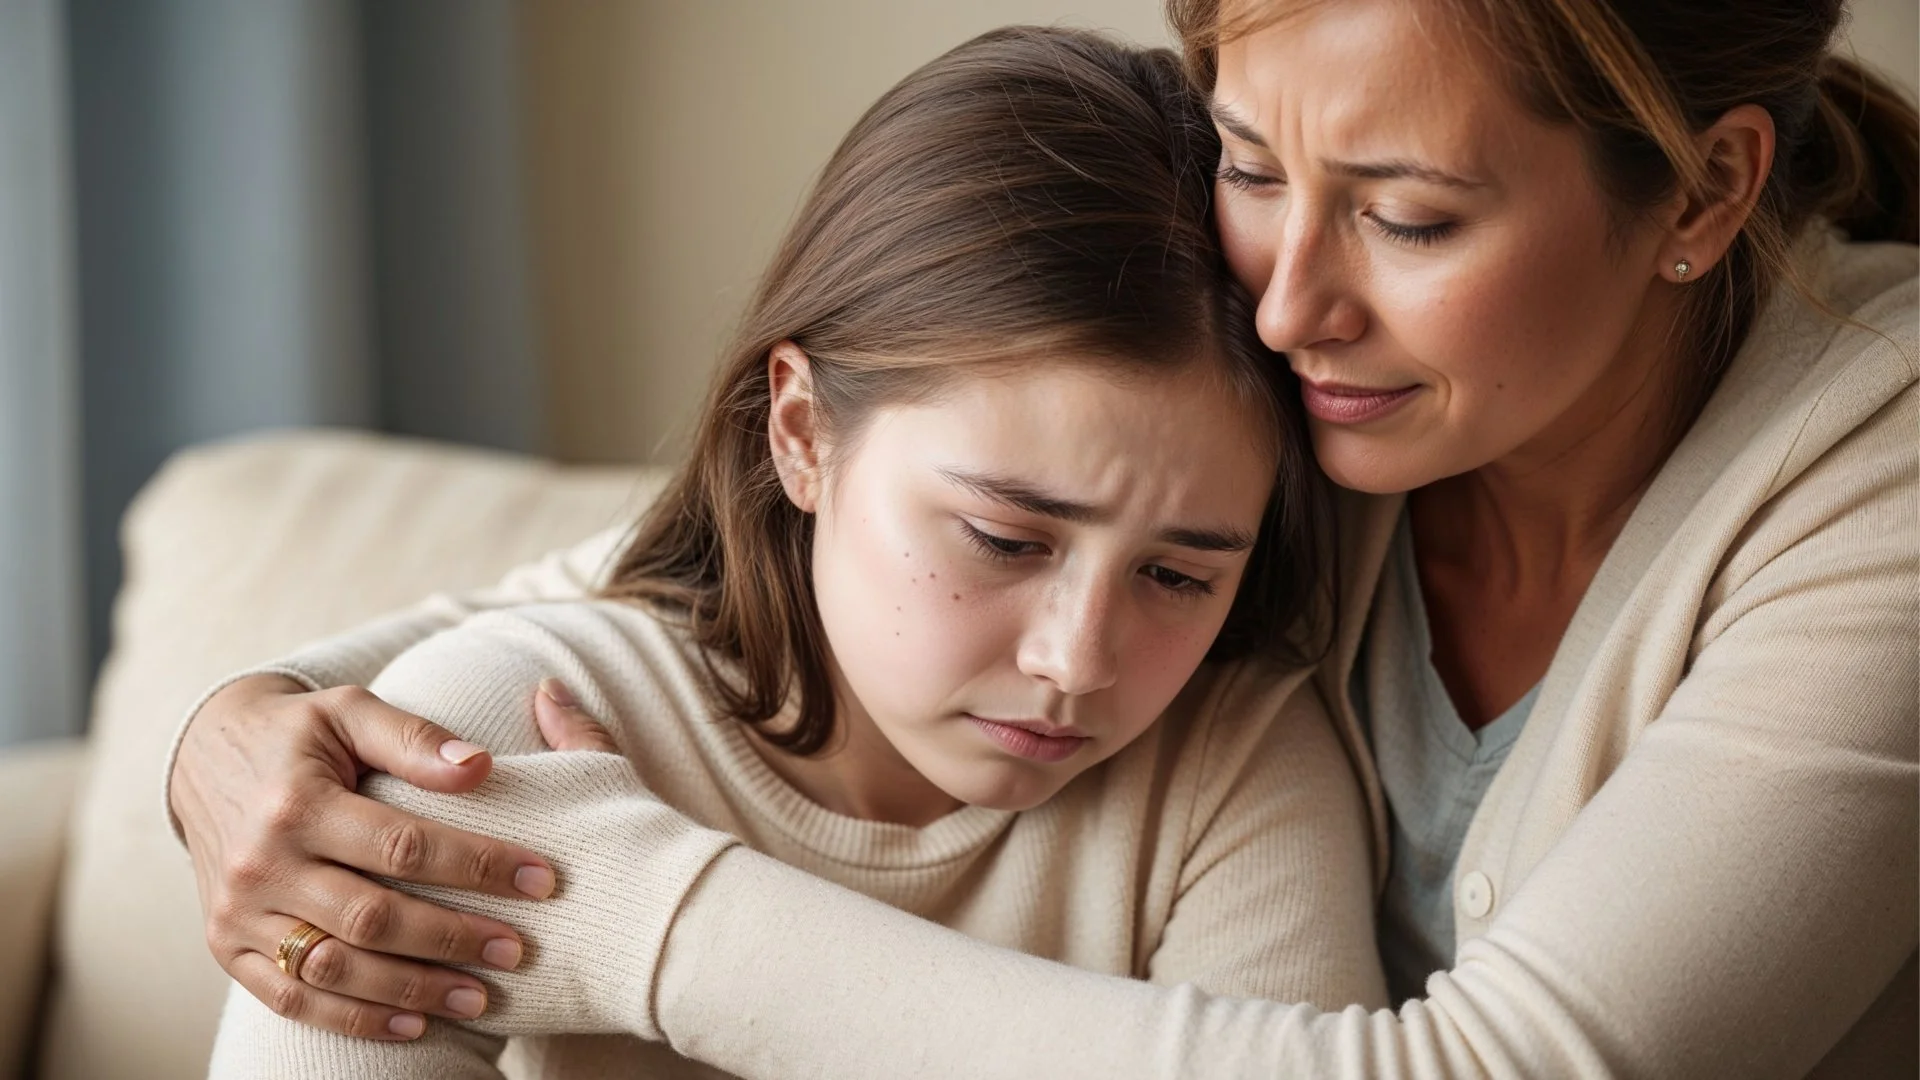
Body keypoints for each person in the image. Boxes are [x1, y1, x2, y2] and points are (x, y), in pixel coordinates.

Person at [170, 0, 1918, 1075]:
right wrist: (259, 723)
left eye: (1409, 215)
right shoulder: (1316, 399)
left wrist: (651, 922)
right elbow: (713, 571)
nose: (1289, 304)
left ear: (1702, 193)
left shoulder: (1873, 466)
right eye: (1248, 164)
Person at [202, 26, 1385, 1077]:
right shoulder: (495, 733)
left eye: (1179, 575)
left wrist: (661, 924)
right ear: (804, 434)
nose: (1078, 660)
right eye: (1004, 538)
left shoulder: (1237, 768)